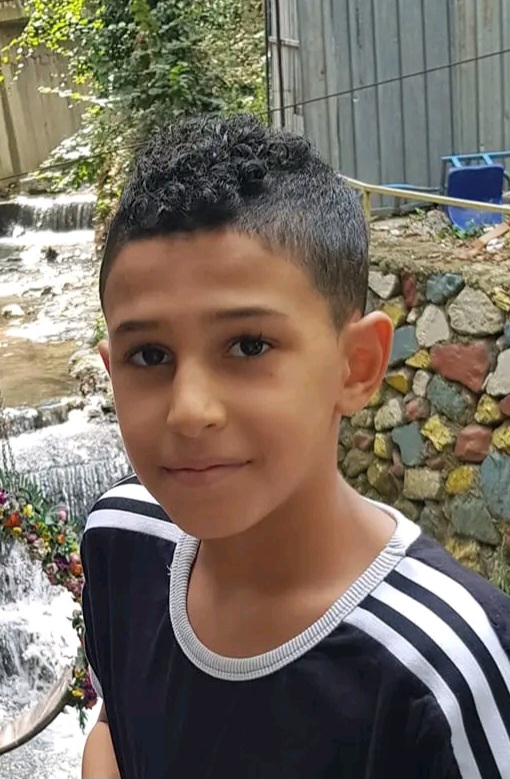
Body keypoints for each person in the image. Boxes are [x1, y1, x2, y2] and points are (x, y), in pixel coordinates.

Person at [80, 114, 510, 779]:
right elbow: (117, 724)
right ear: (112, 371)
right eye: (150, 355)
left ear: (357, 366)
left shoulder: (447, 672)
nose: (190, 410)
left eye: (249, 345)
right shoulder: (122, 538)